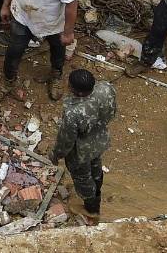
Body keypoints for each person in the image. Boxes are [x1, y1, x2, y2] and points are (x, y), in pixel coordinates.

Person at [1, 0, 79, 101]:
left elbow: (71, 4)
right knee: (14, 51)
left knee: (58, 51)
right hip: (23, 15)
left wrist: (68, 32)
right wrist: (5, 5)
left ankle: (56, 76)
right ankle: (8, 81)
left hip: (51, 21)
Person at [50, 69, 117, 223]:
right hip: (100, 139)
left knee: (82, 177)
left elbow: (66, 140)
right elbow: (112, 111)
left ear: (75, 91)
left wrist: (56, 155)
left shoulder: (73, 112)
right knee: (96, 166)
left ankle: (91, 208)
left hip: (81, 150)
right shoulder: (106, 88)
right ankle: (97, 188)